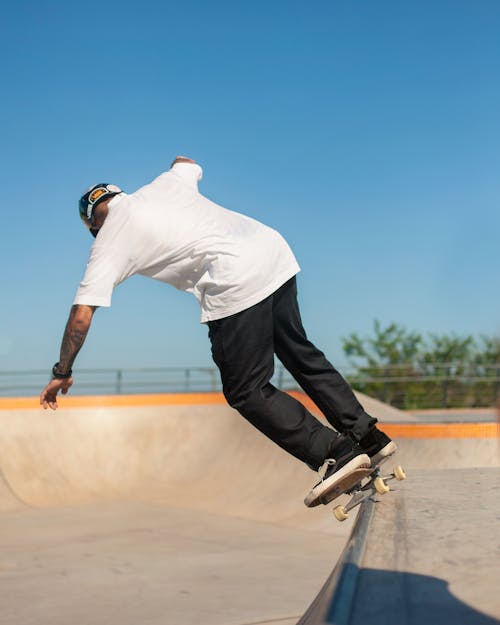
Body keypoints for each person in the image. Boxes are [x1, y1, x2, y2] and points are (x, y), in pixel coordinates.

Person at [39, 156, 396, 507]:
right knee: (297, 350)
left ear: (92, 226)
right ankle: (368, 435)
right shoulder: (163, 184)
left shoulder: (106, 242)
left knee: (246, 389)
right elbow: (186, 161)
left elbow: (81, 317)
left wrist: (62, 371)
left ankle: (336, 452)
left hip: (234, 280)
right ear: (118, 195)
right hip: (272, 251)